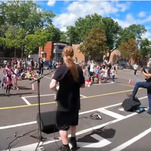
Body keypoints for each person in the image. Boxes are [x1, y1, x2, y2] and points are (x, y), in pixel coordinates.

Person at [50, 46, 85, 151]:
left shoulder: (62, 68)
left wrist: (57, 90)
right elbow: (83, 85)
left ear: (63, 55)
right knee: (73, 123)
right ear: (72, 55)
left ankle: (65, 147)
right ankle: (73, 141)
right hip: (75, 101)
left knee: (62, 126)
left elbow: (51, 86)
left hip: (64, 103)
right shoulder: (78, 68)